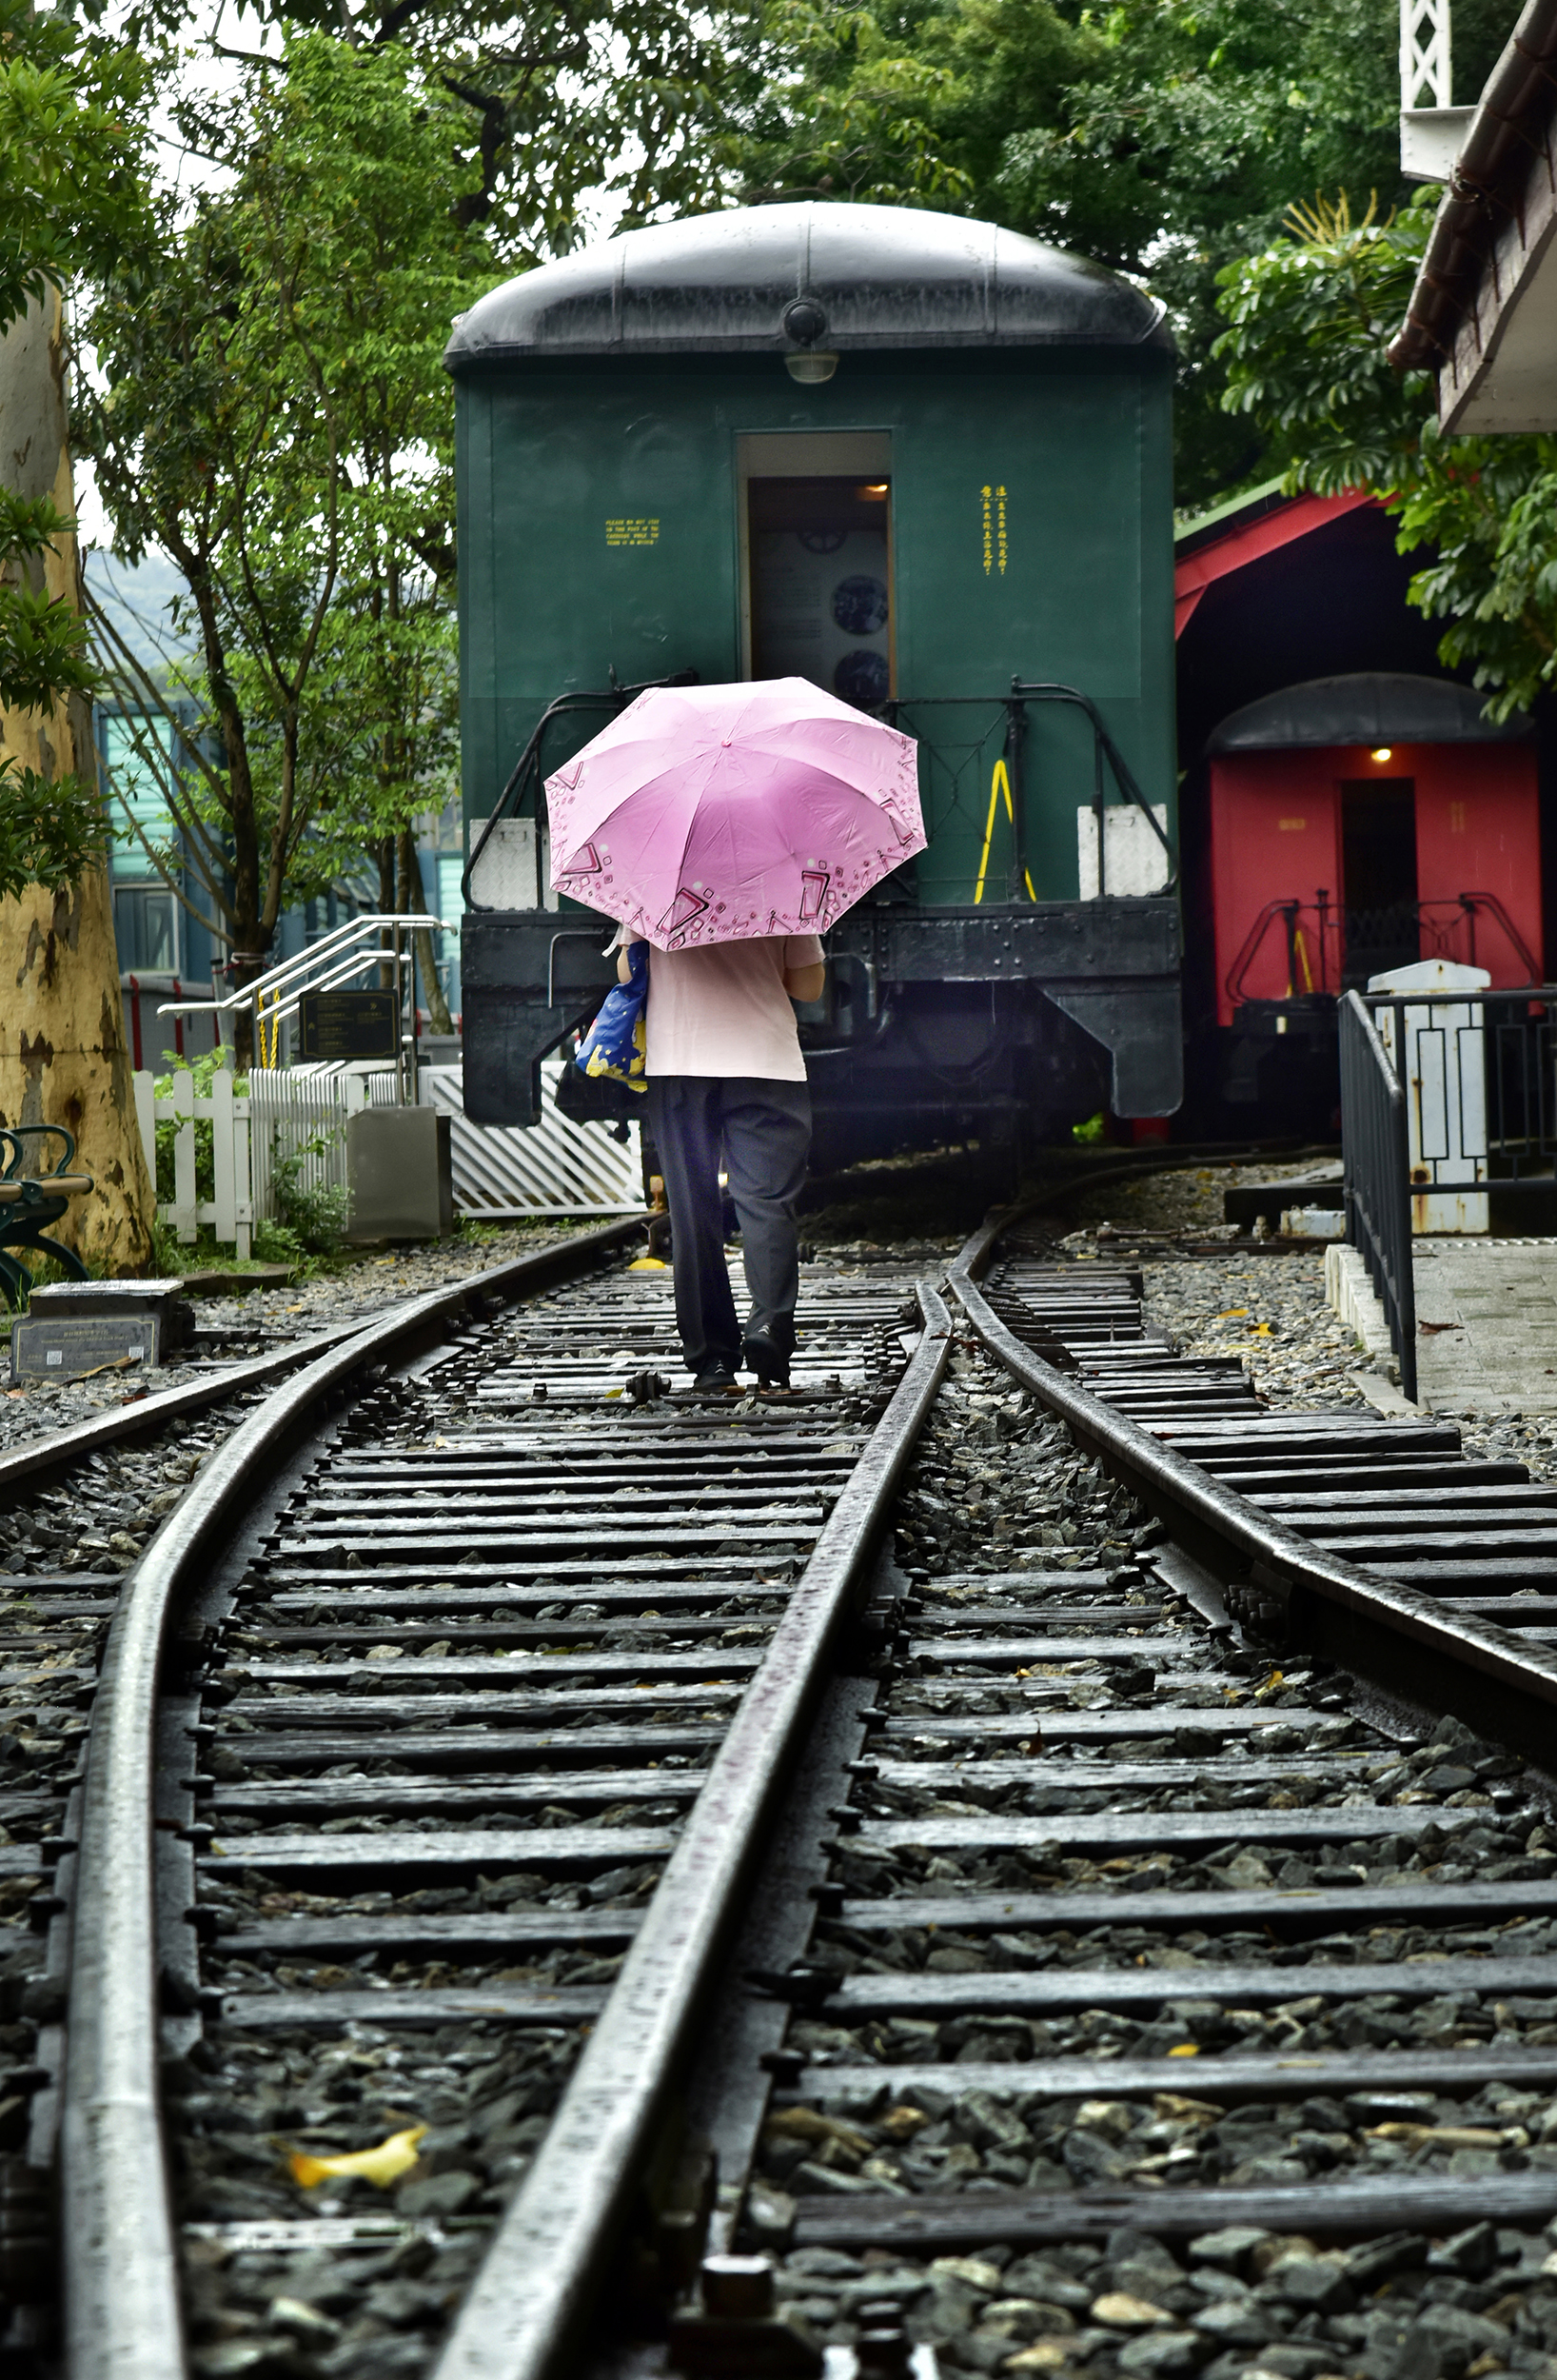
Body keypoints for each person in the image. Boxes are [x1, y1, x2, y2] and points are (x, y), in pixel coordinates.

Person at [619, 930, 825, 1392]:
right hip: (766, 1062)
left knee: (693, 1212)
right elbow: (810, 986)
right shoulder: (780, 871)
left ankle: (713, 1361)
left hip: (680, 1061)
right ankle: (769, 1326)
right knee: (767, 1201)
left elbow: (629, 971)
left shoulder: (652, 877)